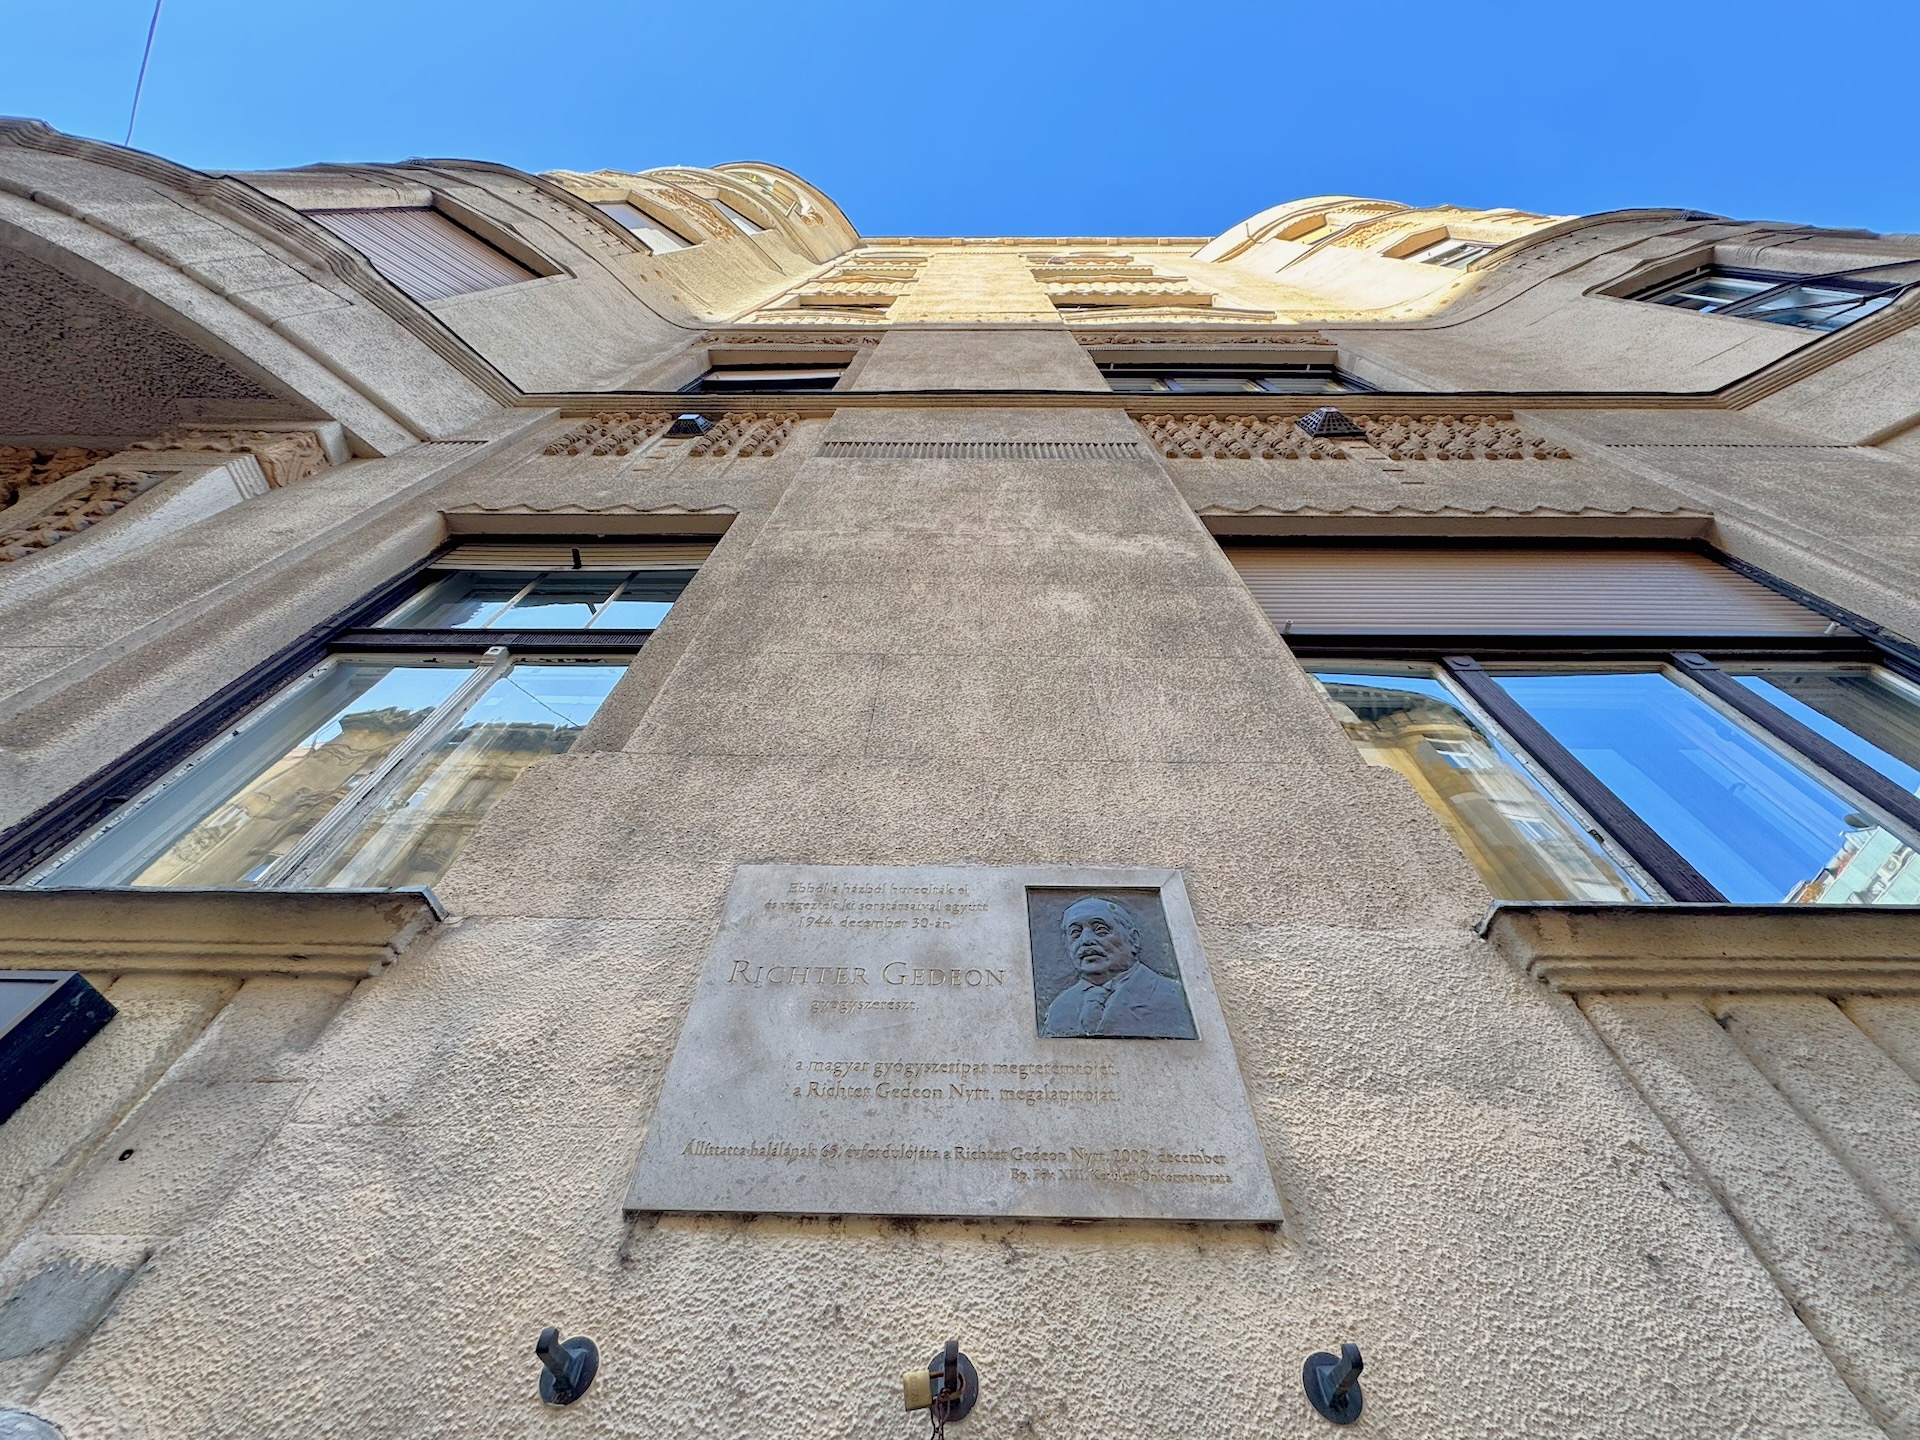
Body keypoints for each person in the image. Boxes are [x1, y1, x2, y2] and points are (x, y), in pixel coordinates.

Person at [1040, 896, 1194, 1039]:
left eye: (1100, 930)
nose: (1086, 940)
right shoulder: (1058, 1008)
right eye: (1075, 933)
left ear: (1133, 939)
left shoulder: (1174, 997)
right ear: (1067, 945)